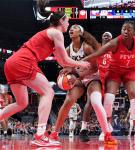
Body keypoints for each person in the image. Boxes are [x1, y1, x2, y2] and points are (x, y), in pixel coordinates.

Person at [1, 11, 90, 147]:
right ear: (61, 21)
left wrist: (70, 69)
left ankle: (39, 135)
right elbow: (65, 59)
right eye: (67, 21)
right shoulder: (56, 32)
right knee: (48, 92)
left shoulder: (51, 34)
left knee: (22, 103)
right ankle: (40, 135)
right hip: (24, 61)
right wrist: (81, 63)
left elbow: (61, 60)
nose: (68, 23)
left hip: (11, 63)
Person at [83, 21, 135, 145]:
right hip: (114, 72)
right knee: (109, 97)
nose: (125, 31)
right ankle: (106, 129)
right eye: (123, 29)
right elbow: (96, 54)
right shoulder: (114, 43)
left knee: (134, 95)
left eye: (129, 29)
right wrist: (75, 63)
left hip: (130, 71)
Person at [50, 24, 118, 145]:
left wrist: (76, 75)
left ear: (80, 33)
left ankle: (107, 134)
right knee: (68, 101)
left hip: (92, 77)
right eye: (71, 28)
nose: (71, 29)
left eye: (75, 28)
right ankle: (54, 134)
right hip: (79, 79)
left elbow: (94, 68)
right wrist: (65, 73)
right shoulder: (68, 50)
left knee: (96, 102)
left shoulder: (87, 48)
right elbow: (69, 68)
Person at [79, 31, 113, 142]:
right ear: (102, 37)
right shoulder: (97, 46)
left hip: (108, 79)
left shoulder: (114, 50)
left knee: (108, 103)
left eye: (109, 35)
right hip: (96, 76)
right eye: (104, 34)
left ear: (111, 39)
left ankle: (106, 128)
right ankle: (83, 129)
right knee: (91, 101)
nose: (106, 35)